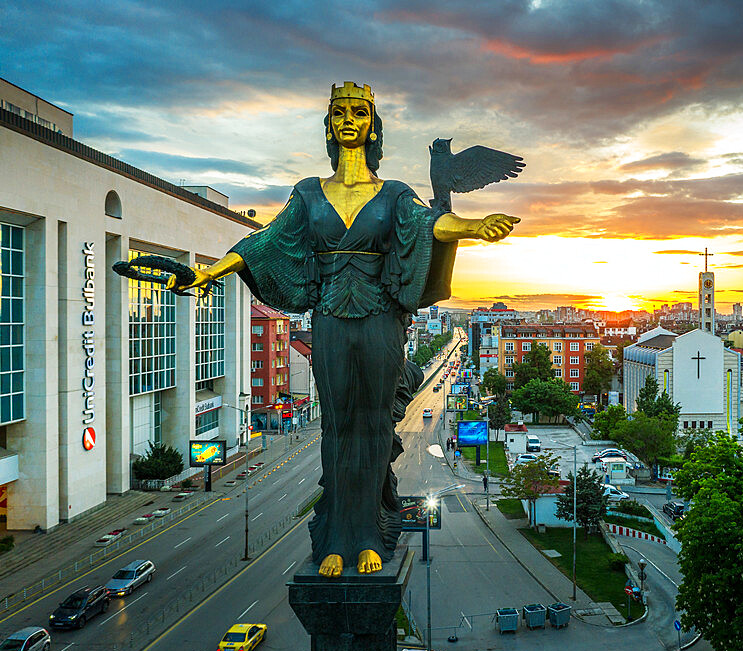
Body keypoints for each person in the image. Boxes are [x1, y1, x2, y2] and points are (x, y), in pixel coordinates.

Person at [169, 82, 518, 577]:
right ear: (329, 125)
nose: (349, 118)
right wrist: (210, 271)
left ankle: (370, 531)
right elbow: (266, 240)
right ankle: (336, 536)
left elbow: (426, 226)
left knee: (373, 424)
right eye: (339, 111)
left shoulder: (394, 193)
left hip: (379, 320)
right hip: (330, 319)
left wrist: (473, 226)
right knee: (337, 427)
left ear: (372, 125)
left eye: (359, 111)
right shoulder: (309, 193)